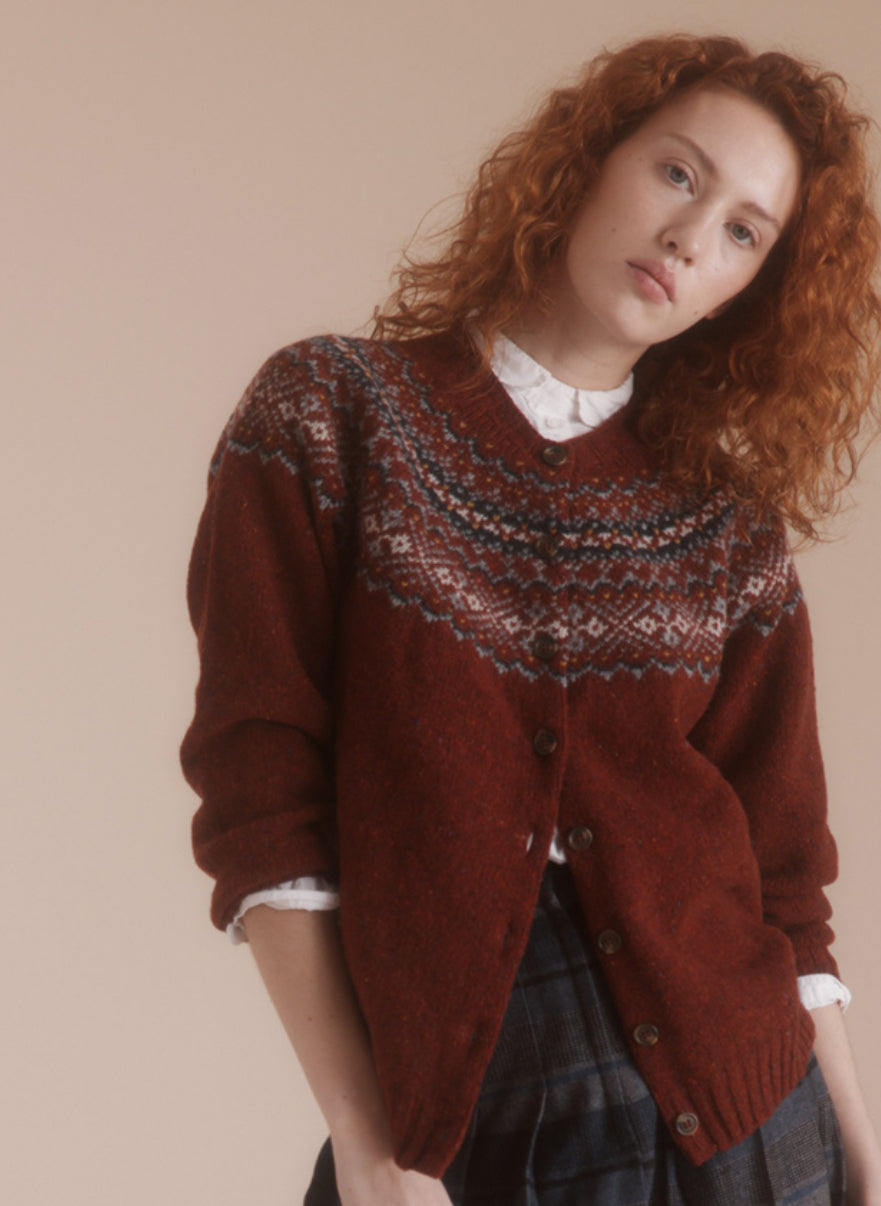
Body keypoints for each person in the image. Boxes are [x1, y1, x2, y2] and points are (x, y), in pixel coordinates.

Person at [180, 33, 881, 1206]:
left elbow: (784, 878)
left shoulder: (727, 530)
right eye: (678, 173)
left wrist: (862, 1155)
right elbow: (264, 795)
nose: (690, 236)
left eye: (744, 232)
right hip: (484, 1123)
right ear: (588, 156)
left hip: (762, 1132)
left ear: (753, 289)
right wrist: (367, 1141)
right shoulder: (334, 417)